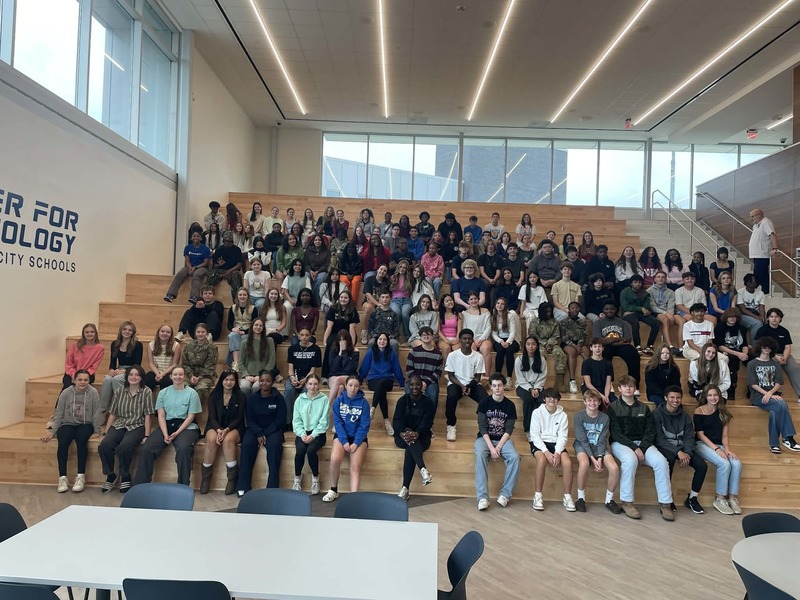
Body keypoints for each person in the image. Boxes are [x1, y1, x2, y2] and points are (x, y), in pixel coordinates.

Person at [608, 375, 674, 521]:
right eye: (625, 386)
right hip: (620, 444)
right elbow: (616, 433)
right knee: (630, 460)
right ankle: (627, 502)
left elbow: (650, 431)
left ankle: (665, 504)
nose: (628, 389)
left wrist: (642, 447)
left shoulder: (644, 407)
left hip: (643, 443)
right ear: (619, 389)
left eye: (631, 386)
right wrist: (634, 448)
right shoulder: (613, 407)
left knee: (661, 462)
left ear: (635, 389)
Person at [133, 367, 202, 486]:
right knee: (146, 449)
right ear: (170, 377)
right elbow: (161, 415)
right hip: (167, 425)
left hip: (186, 427)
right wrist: (165, 434)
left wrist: (176, 433)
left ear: (184, 376)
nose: (177, 377)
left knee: (184, 449)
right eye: (175, 374)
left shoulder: (192, 393)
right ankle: (141, 486)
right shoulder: (163, 392)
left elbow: (191, 417)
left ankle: (182, 486)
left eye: (180, 374)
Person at [41, 369, 103, 493]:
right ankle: (62, 477)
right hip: (68, 423)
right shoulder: (66, 393)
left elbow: (96, 412)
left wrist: (97, 430)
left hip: (85, 424)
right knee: (63, 441)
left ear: (89, 381)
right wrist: (53, 432)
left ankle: (80, 476)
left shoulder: (93, 392)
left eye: (85, 380)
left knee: (81, 440)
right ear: (74, 380)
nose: (83, 382)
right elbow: (59, 413)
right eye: (80, 379)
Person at [652, 385, 708, 515]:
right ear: (665, 398)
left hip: (683, 448)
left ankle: (692, 498)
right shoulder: (657, 414)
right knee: (669, 461)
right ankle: (667, 498)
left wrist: (687, 453)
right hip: (665, 446)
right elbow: (658, 439)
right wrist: (678, 452)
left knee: (702, 466)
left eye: (678, 397)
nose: (675, 400)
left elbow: (689, 437)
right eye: (672, 397)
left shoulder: (685, 416)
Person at [98, 365, 154, 494]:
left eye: (137, 375)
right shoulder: (119, 391)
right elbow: (113, 413)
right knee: (104, 445)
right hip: (120, 423)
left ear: (141, 377)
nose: (133, 377)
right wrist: (106, 432)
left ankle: (125, 475)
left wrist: (146, 435)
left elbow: (148, 416)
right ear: (126, 377)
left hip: (137, 425)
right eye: (131, 374)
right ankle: (110, 475)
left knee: (124, 447)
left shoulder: (147, 392)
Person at [694, 385, 743, 515]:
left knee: (736, 463)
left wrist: (727, 449)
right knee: (724, 463)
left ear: (719, 396)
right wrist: (717, 450)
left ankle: (732, 498)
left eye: (715, 395)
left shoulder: (723, 412)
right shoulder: (699, 411)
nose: (713, 398)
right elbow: (700, 435)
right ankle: (720, 498)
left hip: (719, 444)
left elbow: (725, 436)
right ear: (706, 397)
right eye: (710, 395)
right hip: (702, 444)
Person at [474, 373, 520, 511]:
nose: (497, 388)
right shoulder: (484, 403)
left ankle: (505, 494)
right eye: (494, 386)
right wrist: (491, 448)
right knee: (480, 454)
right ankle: (482, 497)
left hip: (503, 440)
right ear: (491, 387)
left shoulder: (510, 405)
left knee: (515, 457)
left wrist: (498, 447)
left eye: (499, 385)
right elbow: (482, 427)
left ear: (504, 386)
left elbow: (509, 429)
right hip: (484, 439)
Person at [747, 337, 800, 453]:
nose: (767, 349)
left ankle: (774, 445)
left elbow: (778, 383)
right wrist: (767, 394)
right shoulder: (752, 364)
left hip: (772, 396)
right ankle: (788, 438)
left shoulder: (776, 364)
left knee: (775, 411)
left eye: (769, 347)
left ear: (772, 349)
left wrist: (770, 393)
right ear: (760, 347)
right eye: (764, 347)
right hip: (758, 397)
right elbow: (753, 384)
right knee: (781, 404)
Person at [236, 371, 285, 496]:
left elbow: (280, 420)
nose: (264, 383)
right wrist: (258, 433)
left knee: (274, 448)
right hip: (255, 430)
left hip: (273, 430)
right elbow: (249, 419)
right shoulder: (252, 398)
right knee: (246, 445)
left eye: (268, 381)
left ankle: (272, 488)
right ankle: (243, 485)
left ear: (272, 383)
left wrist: (266, 433)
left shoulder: (279, 398)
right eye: (262, 381)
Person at [323, 376, 371, 502]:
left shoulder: (364, 403)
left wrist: (356, 443)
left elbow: (364, 426)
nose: (353, 388)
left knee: (355, 466)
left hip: (358, 437)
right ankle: (333, 490)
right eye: (350, 385)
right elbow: (338, 423)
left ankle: (353, 497)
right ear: (345, 386)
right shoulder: (339, 401)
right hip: (342, 435)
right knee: (334, 459)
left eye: (356, 386)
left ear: (359, 387)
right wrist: (344, 441)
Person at [573, 389, 622, 513]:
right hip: (582, 446)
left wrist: (599, 457)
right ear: (584, 402)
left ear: (599, 402)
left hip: (599, 446)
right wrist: (592, 458)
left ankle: (609, 500)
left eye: (595, 400)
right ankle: (580, 498)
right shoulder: (578, 417)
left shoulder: (605, 418)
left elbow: (602, 439)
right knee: (584, 464)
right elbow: (582, 440)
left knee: (614, 468)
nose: (592, 403)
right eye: (589, 400)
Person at [200, 370, 246, 495]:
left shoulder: (241, 396)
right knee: (211, 439)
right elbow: (212, 417)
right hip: (215, 426)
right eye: (226, 379)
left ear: (236, 382)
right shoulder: (214, 395)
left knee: (228, 440)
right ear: (221, 381)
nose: (228, 382)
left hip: (234, 427)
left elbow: (239, 418)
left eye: (232, 380)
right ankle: (206, 479)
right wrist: (219, 430)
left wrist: (226, 430)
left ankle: (231, 479)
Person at [530, 388, 576, 512]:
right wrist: (546, 452)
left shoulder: (563, 415)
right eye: (549, 397)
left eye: (555, 398)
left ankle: (567, 496)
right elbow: (535, 435)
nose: (552, 400)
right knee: (542, 461)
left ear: (558, 400)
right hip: (540, 444)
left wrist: (557, 452)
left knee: (568, 463)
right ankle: (538, 495)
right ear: (544, 399)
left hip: (556, 444)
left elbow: (563, 436)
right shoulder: (537, 413)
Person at [394, 374, 435, 500]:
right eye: (412, 384)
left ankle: (405, 488)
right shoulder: (402, 401)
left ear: (422, 385)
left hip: (422, 437)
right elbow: (397, 421)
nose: (415, 387)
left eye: (417, 384)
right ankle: (423, 469)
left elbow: (427, 422)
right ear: (408, 386)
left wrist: (417, 433)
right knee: (410, 439)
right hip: (402, 437)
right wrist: (402, 433)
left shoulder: (427, 402)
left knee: (410, 446)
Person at [444, 329, 489, 441]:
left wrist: (469, 386)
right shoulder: (452, 355)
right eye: (464, 338)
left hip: (472, 384)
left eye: (469, 339)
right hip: (456, 383)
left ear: (472, 340)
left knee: (485, 400)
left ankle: (483, 428)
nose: (467, 341)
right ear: (460, 340)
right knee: (451, 397)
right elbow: (451, 376)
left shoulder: (478, 356)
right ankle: (451, 426)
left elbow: (478, 377)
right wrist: (462, 386)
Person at [55, 323, 104, 425]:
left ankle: (82, 416)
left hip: (88, 374)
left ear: (95, 333)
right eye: (87, 332)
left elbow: (94, 365)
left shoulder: (99, 348)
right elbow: (69, 363)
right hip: (72, 373)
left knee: (82, 385)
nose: (89, 334)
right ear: (83, 333)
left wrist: (83, 375)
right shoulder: (74, 345)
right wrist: (74, 374)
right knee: (67, 387)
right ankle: (57, 416)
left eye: (92, 332)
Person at [359, 332, 404, 436]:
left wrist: (401, 382)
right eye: (380, 339)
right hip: (373, 381)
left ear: (387, 342)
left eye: (384, 339)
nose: (382, 341)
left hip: (388, 381)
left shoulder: (391, 353)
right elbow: (365, 366)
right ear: (376, 341)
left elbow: (396, 368)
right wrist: (360, 380)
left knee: (382, 383)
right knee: (381, 390)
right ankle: (386, 421)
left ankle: (372, 409)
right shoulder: (371, 352)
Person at [292, 373, 329, 495]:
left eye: (315, 384)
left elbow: (324, 421)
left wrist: (313, 435)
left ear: (319, 386)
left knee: (311, 450)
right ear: (306, 385)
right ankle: (297, 478)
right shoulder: (299, 400)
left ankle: (315, 478)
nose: (313, 387)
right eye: (310, 384)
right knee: (300, 451)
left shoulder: (324, 400)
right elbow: (296, 420)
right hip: (303, 432)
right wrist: (302, 433)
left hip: (318, 433)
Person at [753, 307, 800, 397]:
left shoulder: (784, 331)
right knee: (771, 367)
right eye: (772, 316)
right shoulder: (762, 330)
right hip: (767, 355)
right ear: (768, 318)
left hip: (783, 355)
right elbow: (759, 347)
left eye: (776, 316)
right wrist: (775, 356)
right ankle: (772, 392)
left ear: (780, 318)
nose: (774, 319)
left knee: (795, 368)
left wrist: (785, 358)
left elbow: (787, 347)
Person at [100, 321, 143, 412]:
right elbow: (112, 362)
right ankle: (103, 408)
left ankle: (120, 406)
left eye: (130, 330)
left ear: (133, 332)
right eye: (125, 329)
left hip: (132, 370)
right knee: (107, 379)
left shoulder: (138, 345)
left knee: (116, 379)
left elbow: (137, 364)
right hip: (119, 368)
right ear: (121, 330)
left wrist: (125, 371)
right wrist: (111, 370)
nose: (127, 332)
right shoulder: (114, 344)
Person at [284, 329, 323, 425]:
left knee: (306, 392)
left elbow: (313, 370)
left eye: (306, 335)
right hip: (294, 376)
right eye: (302, 335)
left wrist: (305, 380)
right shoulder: (292, 349)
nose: (304, 337)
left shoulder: (316, 349)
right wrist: (292, 378)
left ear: (310, 336)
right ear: (298, 336)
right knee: (289, 390)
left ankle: (302, 421)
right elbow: (290, 368)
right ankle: (287, 421)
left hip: (309, 377)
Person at [529, 302, 568, 392]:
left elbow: (556, 336)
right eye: (546, 312)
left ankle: (559, 382)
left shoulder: (555, 322)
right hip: (539, 344)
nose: (548, 314)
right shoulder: (534, 322)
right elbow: (533, 336)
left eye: (550, 311)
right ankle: (537, 382)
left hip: (553, 343)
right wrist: (544, 344)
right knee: (540, 354)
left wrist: (549, 344)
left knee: (560, 354)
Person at [321, 290, 359, 380]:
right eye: (341, 297)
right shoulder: (333, 308)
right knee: (330, 344)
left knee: (348, 346)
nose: (343, 299)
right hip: (335, 333)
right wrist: (325, 340)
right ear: (339, 298)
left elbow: (352, 328)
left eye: (346, 298)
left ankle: (347, 372)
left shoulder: (352, 310)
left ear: (349, 299)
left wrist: (352, 343)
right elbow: (329, 326)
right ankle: (325, 375)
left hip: (347, 334)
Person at [164, 231, 212, 303]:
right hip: (190, 266)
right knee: (181, 272)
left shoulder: (205, 249)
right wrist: (190, 267)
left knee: (196, 274)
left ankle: (194, 297)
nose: (196, 238)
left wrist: (195, 267)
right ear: (191, 238)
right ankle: (171, 295)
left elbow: (205, 263)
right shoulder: (188, 248)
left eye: (198, 236)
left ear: (201, 238)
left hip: (202, 267)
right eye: (194, 236)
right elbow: (187, 261)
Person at [405, 326, 443, 414]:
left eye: (428, 335)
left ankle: (429, 420)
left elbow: (438, 372)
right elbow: (409, 370)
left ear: (432, 336)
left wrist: (425, 382)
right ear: (420, 337)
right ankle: (409, 419)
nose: (426, 336)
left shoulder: (438, 354)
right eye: (424, 335)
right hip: (414, 381)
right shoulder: (413, 351)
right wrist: (418, 382)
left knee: (433, 395)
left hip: (430, 382)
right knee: (408, 395)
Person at [620, 274, 660, 355]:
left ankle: (649, 346)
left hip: (640, 314)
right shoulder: (624, 292)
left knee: (656, 322)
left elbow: (647, 308)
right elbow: (625, 307)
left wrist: (637, 310)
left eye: (639, 282)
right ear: (631, 283)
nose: (638, 284)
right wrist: (640, 309)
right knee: (635, 322)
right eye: (635, 282)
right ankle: (637, 346)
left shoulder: (644, 293)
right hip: (629, 315)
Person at [515, 335, 547, 437]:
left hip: (538, 386)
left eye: (533, 344)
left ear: (537, 346)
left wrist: (536, 388)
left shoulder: (542, 360)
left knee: (542, 401)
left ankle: (540, 429)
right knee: (529, 400)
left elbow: (542, 377)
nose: (531, 346)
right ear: (525, 346)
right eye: (528, 344)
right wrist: (530, 389)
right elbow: (520, 378)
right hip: (522, 386)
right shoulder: (519, 360)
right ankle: (528, 429)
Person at [714, 308, 749, 399]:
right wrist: (738, 354)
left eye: (734, 317)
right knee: (732, 360)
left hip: (739, 352)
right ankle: (731, 389)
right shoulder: (720, 327)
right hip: (726, 351)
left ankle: (751, 387)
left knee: (753, 360)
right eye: (730, 317)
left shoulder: (741, 328)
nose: (732, 318)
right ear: (726, 317)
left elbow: (745, 345)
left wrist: (744, 354)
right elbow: (720, 346)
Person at [182, 323, 218, 404]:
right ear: (195, 333)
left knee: (200, 389)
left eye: (203, 332)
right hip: (190, 375)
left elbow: (210, 366)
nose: (200, 334)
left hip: (206, 376)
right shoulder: (189, 346)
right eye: (198, 332)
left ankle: (194, 409)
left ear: (207, 333)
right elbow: (185, 363)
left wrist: (199, 377)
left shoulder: (212, 347)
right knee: (183, 386)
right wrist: (191, 375)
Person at [238, 318, 277, 396]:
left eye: (260, 325)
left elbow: (272, 360)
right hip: (247, 376)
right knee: (244, 387)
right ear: (252, 326)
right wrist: (246, 375)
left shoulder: (269, 341)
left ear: (263, 328)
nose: (258, 327)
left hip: (263, 376)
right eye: (256, 325)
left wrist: (261, 375)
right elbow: (241, 362)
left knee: (257, 387)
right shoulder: (244, 343)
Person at [461, 291, 493, 376]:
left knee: (486, 349)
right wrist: (473, 339)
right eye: (471, 299)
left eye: (475, 298)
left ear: (478, 299)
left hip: (484, 338)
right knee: (470, 349)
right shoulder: (464, 313)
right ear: (468, 301)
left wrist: (481, 339)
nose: (473, 301)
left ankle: (486, 376)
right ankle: (471, 376)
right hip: (471, 339)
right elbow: (465, 329)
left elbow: (488, 327)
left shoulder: (485, 311)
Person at [206, 230, 244, 302]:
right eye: (226, 241)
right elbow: (215, 265)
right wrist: (219, 265)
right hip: (220, 270)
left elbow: (239, 264)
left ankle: (236, 301)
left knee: (236, 278)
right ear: (223, 240)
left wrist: (229, 271)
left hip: (233, 270)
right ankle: (207, 298)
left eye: (229, 241)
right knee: (211, 275)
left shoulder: (237, 250)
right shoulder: (219, 250)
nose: (228, 243)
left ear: (232, 241)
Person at [560, 301, 589, 393]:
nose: (575, 309)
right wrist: (574, 345)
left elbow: (584, 335)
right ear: (569, 310)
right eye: (572, 308)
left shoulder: (582, 322)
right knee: (572, 352)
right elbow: (564, 337)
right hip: (568, 343)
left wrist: (579, 345)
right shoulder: (563, 322)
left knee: (586, 352)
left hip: (579, 343)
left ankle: (586, 380)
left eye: (576, 308)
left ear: (579, 309)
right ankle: (572, 380)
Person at [647, 270, 679, 352]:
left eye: (663, 277)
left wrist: (670, 315)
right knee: (665, 319)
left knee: (674, 319)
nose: (660, 279)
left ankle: (680, 347)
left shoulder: (671, 292)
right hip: (654, 312)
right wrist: (666, 314)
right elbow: (653, 307)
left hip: (668, 312)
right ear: (655, 279)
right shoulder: (649, 291)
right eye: (658, 277)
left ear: (665, 279)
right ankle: (670, 345)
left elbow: (671, 306)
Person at [227, 288, 257, 371]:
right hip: (236, 330)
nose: (242, 297)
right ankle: (236, 363)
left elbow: (255, 324)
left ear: (248, 296)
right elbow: (229, 324)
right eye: (240, 295)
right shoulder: (232, 308)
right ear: (237, 296)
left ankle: (238, 363)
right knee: (232, 336)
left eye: (244, 295)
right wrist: (233, 329)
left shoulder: (253, 308)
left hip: (249, 331)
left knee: (240, 339)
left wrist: (244, 332)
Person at [144, 324, 182, 391]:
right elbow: (151, 363)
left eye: (168, 332)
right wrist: (157, 374)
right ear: (158, 332)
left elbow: (174, 364)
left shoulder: (176, 345)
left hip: (169, 372)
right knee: (147, 380)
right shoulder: (151, 344)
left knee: (166, 382)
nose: (165, 334)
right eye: (162, 331)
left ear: (171, 334)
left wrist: (163, 374)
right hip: (155, 371)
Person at [748, 207, 778, 293]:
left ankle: (766, 292)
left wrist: (774, 248)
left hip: (762, 255)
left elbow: (772, 235)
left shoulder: (765, 222)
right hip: (756, 255)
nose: (751, 219)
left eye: (752, 216)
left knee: (761, 274)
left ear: (759, 215)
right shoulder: (756, 226)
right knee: (757, 274)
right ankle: (759, 292)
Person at [490, 297, 519, 382]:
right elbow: (494, 334)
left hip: (511, 339)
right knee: (500, 351)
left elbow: (513, 332)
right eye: (498, 303)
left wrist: (508, 342)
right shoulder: (493, 317)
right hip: (499, 339)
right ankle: (498, 376)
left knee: (509, 351)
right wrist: (501, 341)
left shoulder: (510, 315)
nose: (500, 305)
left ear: (505, 306)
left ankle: (509, 378)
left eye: (502, 304)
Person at [360, 264, 390, 345]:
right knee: (368, 307)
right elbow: (368, 294)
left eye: (385, 271)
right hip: (368, 303)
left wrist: (381, 304)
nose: (382, 272)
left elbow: (387, 295)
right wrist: (378, 304)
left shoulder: (386, 282)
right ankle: (364, 332)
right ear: (377, 270)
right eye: (381, 269)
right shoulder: (369, 279)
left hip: (382, 304)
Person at [327, 329, 360, 403]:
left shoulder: (354, 350)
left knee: (338, 379)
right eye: (340, 340)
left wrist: (344, 352)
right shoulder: (333, 349)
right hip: (334, 375)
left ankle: (327, 404)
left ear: (348, 340)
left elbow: (349, 369)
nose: (342, 343)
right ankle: (336, 407)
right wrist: (340, 353)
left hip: (349, 376)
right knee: (340, 387)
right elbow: (333, 369)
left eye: (344, 340)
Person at [582, 338, 615, 407]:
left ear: (603, 348)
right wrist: (601, 395)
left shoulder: (608, 364)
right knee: (595, 402)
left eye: (599, 346)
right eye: (595, 346)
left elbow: (608, 383)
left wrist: (606, 396)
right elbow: (588, 384)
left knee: (614, 403)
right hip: (590, 389)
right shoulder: (586, 363)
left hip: (604, 388)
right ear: (591, 348)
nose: (597, 348)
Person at [389, 259, 414, 339]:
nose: (402, 269)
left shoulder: (409, 279)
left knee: (405, 314)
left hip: (406, 300)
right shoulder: (393, 277)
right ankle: (395, 335)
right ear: (398, 267)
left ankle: (408, 336)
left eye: (404, 268)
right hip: (395, 300)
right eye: (400, 267)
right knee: (397, 313)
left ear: (406, 269)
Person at [736, 273, 766, 338]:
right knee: (757, 324)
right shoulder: (740, 292)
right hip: (744, 314)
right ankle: (754, 344)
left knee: (770, 323)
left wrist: (762, 317)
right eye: (752, 281)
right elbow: (743, 310)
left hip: (756, 313)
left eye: (755, 281)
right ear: (747, 282)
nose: (754, 283)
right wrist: (757, 317)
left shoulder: (761, 293)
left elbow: (761, 308)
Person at [304, 233, 331, 301]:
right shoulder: (308, 251)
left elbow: (326, 264)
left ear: (322, 241)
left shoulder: (326, 251)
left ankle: (314, 299)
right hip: (309, 270)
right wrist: (310, 271)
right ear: (313, 241)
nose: (317, 241)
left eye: (319, 240)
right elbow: (305, 263)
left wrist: (317, 272)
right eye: (315, 240)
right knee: (306, 276)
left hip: (321, 271)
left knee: (321, 278)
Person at [437, 293, 461, 361]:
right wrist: (446, 340)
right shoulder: (439, 314)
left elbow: (459, 330)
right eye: (447, 301)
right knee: (446, 348)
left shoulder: (458, 314)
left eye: (451, 300)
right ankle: (446, 367)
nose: (450, 302)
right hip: (443, 339)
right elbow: (438, 331)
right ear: (443, 304)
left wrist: (457, 339)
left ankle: (456, 367)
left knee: (456, 349)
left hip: (455, 338)